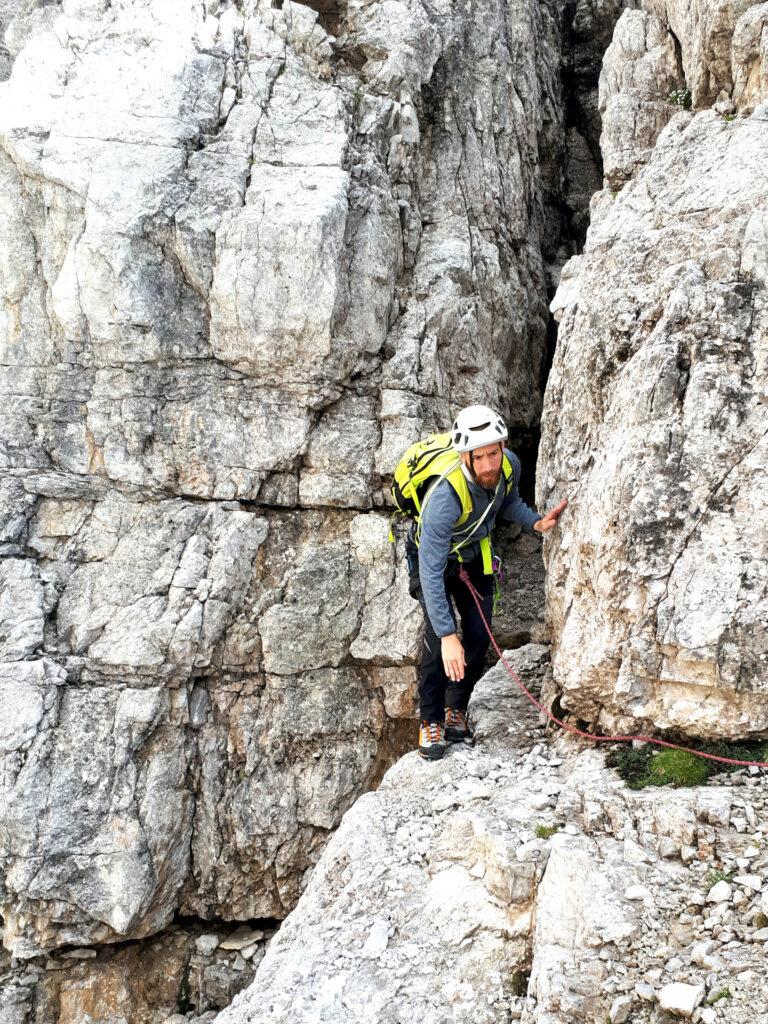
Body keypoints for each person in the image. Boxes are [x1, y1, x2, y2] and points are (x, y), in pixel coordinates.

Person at [406, 405, 567, 761]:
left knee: (479, 633)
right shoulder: (444, 498)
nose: (489, 465)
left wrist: (536, 523)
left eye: (494, 453)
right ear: (465, 456)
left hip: (471, 552)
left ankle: (455, 710)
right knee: (438, 640)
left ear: (502, 446)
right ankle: (430, 720)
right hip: (429, 558)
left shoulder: (509, 465)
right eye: (480, 457)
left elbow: (507, 502)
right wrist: (449, 636)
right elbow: (431, 573)